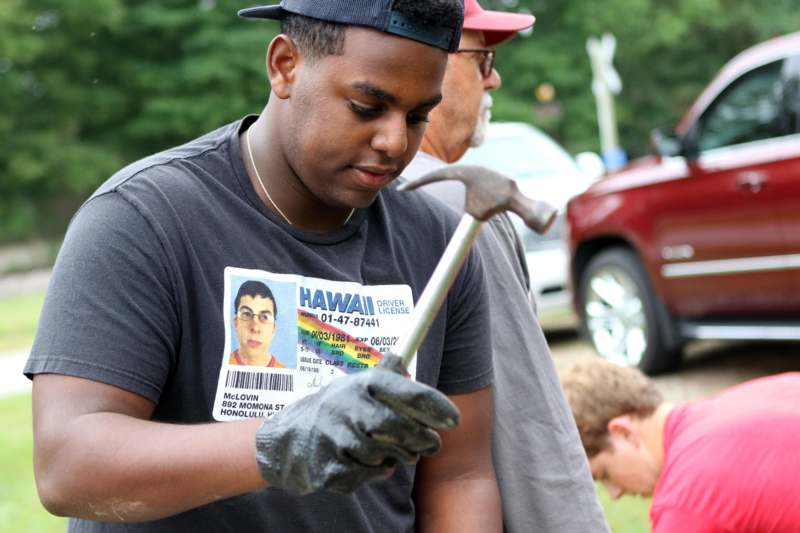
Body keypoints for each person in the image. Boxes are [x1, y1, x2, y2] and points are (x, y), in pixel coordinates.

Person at [25, 1, 503, 531]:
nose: (394, 142)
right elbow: (68, 465)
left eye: (417, 116)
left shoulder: (438, 244)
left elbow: (460, 475)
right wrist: (277, 443)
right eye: (368, 106)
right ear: (284, 66)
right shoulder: (144, 220)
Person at [402, 1, 609, 531]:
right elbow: (526, 420)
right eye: (483, 60)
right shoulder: (455, 206)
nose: (493, 82)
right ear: (426, 63)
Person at [561, 358, 800, 532]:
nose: (615, 493)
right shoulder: (756, 395)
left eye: (605, 474)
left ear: (623, 432)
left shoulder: (685, 501)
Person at [230, 280, 284, 368]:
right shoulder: (221, 365)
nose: (255, 328)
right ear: (236, 323)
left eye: (264, 317)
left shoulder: (284, 372)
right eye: (247, 314)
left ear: (273, 328)